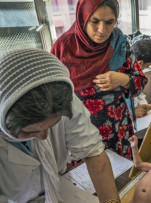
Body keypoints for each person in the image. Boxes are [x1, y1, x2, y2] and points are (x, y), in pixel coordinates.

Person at [0, 48, 119, 203]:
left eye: (53, 124)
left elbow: (92, 152)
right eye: (30, 132)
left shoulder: (64, 102)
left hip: (60, 185)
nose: (44, 137)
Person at [51, 0, 147, 158]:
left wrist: (123, 79)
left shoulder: (119, 44)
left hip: (118, 131)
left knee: (121, 177)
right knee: (87, 180)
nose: (102, 30)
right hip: (80, 135)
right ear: (83, 17)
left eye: (109, 22)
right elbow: (51, 97)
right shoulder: (63, 49)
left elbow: (140, 82)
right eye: (95, 21)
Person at [130, 40, 151, 118]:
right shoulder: (122, 77)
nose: (146, 69)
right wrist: (133, 113)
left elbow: (139, 94)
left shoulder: (136, 75)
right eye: (148, 66)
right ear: (140, 63)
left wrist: (145, 106)